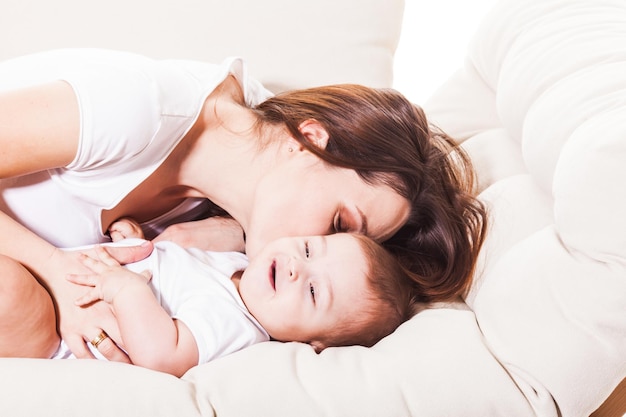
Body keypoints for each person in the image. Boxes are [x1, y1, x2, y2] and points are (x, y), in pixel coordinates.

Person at [0, 48, 487, 362]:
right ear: (313, 140)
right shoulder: (136, 111)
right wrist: (55, 272)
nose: (312, 248)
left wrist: (232, 230)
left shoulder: (250, 179)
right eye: (338, 225)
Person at [0, 220, 417, 377]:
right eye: (309, 249)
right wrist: (135, 242)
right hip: (56, 278)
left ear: (315, 343)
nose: (295, 267)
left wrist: (125, 287)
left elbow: (161, 355)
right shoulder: (236, 265)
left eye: (312, 291)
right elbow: (170, 270)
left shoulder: (236, 325)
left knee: (9, 291)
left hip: (52, 331)